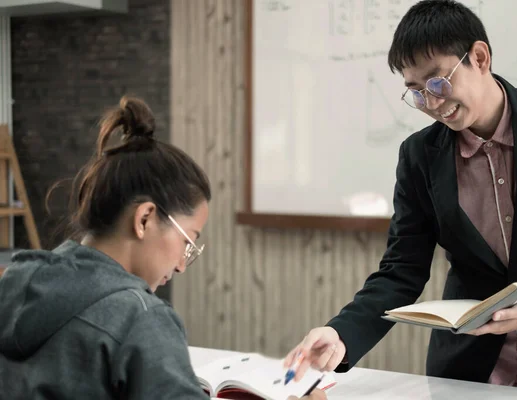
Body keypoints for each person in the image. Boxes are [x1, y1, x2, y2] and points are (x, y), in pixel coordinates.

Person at [284, 0, 517, 396]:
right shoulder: (419, 156)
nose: (432, 104)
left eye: (437, 82)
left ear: (479, 58)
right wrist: (340, 333)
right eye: (416, 92)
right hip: (470, 372)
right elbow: (401, 270)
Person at [0, 96, 327, 400]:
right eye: (188, 241)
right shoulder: (140, 319)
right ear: (144, 219)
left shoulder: (15, 280)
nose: (183, 265)